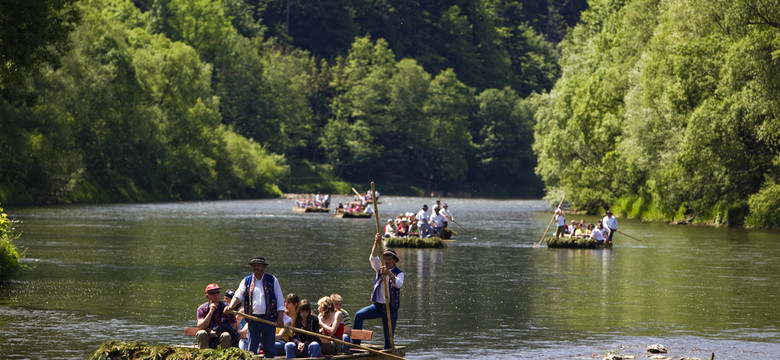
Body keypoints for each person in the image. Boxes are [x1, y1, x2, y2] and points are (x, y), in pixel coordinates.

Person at [227, 256, 286, 357]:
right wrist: (231, 307)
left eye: (258, 266)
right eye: (254, 266)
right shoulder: (247, 281)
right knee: (252, 349)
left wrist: (280, 317)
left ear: (264, 267)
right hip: (253, 319)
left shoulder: (272, 280)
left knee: (269, 349)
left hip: (269, 320)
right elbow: (238, 295)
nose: (256, 268)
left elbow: (280, 299)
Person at [353, 234, 404, 350]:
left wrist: (390, 274)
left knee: (388, 336)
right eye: (385, 259)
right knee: (359, 315)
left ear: (394, 260)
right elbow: (373, 257)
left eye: (389, 259)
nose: (386, 261)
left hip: (390, 309)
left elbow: (399, 284)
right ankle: (355, 344)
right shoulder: (379, 268)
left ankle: (388, 350)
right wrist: (376, 242)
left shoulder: (399, 273)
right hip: (378, 306)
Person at [196, 283, 238, 350]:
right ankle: (204, 354)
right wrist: (211, 311)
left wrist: (218, 332)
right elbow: (200, 326)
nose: (216, 295)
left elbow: (233, 328)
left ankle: (224, 356)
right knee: (201, 333)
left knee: (226, 335)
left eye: (218, 292)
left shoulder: (226, 308)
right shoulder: (202, 308)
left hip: (221, 336)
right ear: (207, 296)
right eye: (213, 293)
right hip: (208, 335)